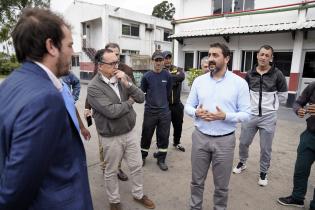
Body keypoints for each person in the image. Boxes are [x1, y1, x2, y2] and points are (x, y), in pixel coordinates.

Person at [0, 8, 93, 210]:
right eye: (69, 45)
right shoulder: (45, 98)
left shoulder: (10, 83)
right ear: (51, 46)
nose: (73, 51)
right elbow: (15, 191)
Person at [185, 43, 251, 210]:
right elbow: (188, 106)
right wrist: (196, 113)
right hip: (200, 137)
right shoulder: (199, 81)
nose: (211, 59)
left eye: (216, 55)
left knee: (221, 186)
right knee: (196, 181)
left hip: (225, 141)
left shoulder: (239, 83)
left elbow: (247, 114)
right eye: (209, 55)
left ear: (227, 58)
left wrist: (226, 116)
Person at [87, 49, 155, 210]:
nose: (116, 66)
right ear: (100, 66)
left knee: (137, 165)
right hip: (111, 136)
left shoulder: (122, 76)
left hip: (129, 131)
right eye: (112, 63)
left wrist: (127, 83)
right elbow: (112, 111)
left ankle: (138, 194)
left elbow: (141, 97)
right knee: (111, 170)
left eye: (117, 62)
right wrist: (129, 103)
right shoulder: (93, 87)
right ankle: (114, 201)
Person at [232, 45, 288, 186]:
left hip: (268, 117)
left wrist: (271, 106)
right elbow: (243, 94)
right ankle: (242, 162)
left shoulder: (277, 74)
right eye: (261, 54)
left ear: (271, 58)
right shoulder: (250, 74)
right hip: (250, 115)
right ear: (257, 55)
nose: (263, 57)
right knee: (244, 142)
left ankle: (263, 172)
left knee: (265, 148)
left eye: (267, 55)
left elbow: (283, 96)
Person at [84, 43, 134, 181]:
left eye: (117, 55)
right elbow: (92, 91)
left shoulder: (127, 70)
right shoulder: (101, 70)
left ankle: (117, 168)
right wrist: (87, 107)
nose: (114, 59)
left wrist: (128, 102)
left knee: (120, 147)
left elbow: (133, 91)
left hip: (123, 114)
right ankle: (105, 167)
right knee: (104, 146)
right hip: (104, 115)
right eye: (111, 54)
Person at [277, 82, 315, 210]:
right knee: (301, 169)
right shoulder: (313, 86)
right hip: (310, 135)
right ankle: (297, 198)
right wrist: (299, 110)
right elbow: (297, 102)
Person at [140, 51, 172, 171]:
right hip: (150, 112)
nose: (158, 63)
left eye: (160, 60)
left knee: (163, 136)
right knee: (146, 135)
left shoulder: (167, 76)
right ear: (152, 61)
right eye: (156, 60)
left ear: (163, 61)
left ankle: (161, 159)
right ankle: (142, 156)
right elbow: (142, 92)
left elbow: (168, 92)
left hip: (164, 112)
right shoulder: (146, 76)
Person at [162, 51, 185, 152]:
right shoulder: (159, 71)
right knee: (164, 127)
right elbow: (161, 80)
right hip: (165, 105)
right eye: (165, 58)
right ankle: (162, 146)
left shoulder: (178, 69)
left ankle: (177, 142)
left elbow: (181, 76)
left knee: (178, 125)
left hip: (177, 104)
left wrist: (168, 80)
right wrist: (173, 80)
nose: (167, 60)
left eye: (169, 58)